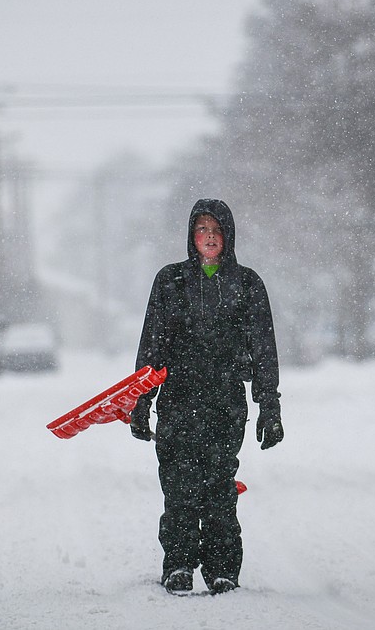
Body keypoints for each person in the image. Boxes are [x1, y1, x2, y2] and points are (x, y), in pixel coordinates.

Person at [130, 198, 283, 595]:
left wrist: (269, 406)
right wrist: (141, 400)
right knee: (179, 487)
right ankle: (178, 565)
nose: (209, 237)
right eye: (202, 229)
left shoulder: (247, 284)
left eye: (216, 230)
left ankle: (221, 568)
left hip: (224, 405)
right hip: (178, 402)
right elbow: (152, 346)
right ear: (191, 236)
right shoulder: (170, 282)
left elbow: (263, 348)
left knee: (218, 487)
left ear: (227, 236)